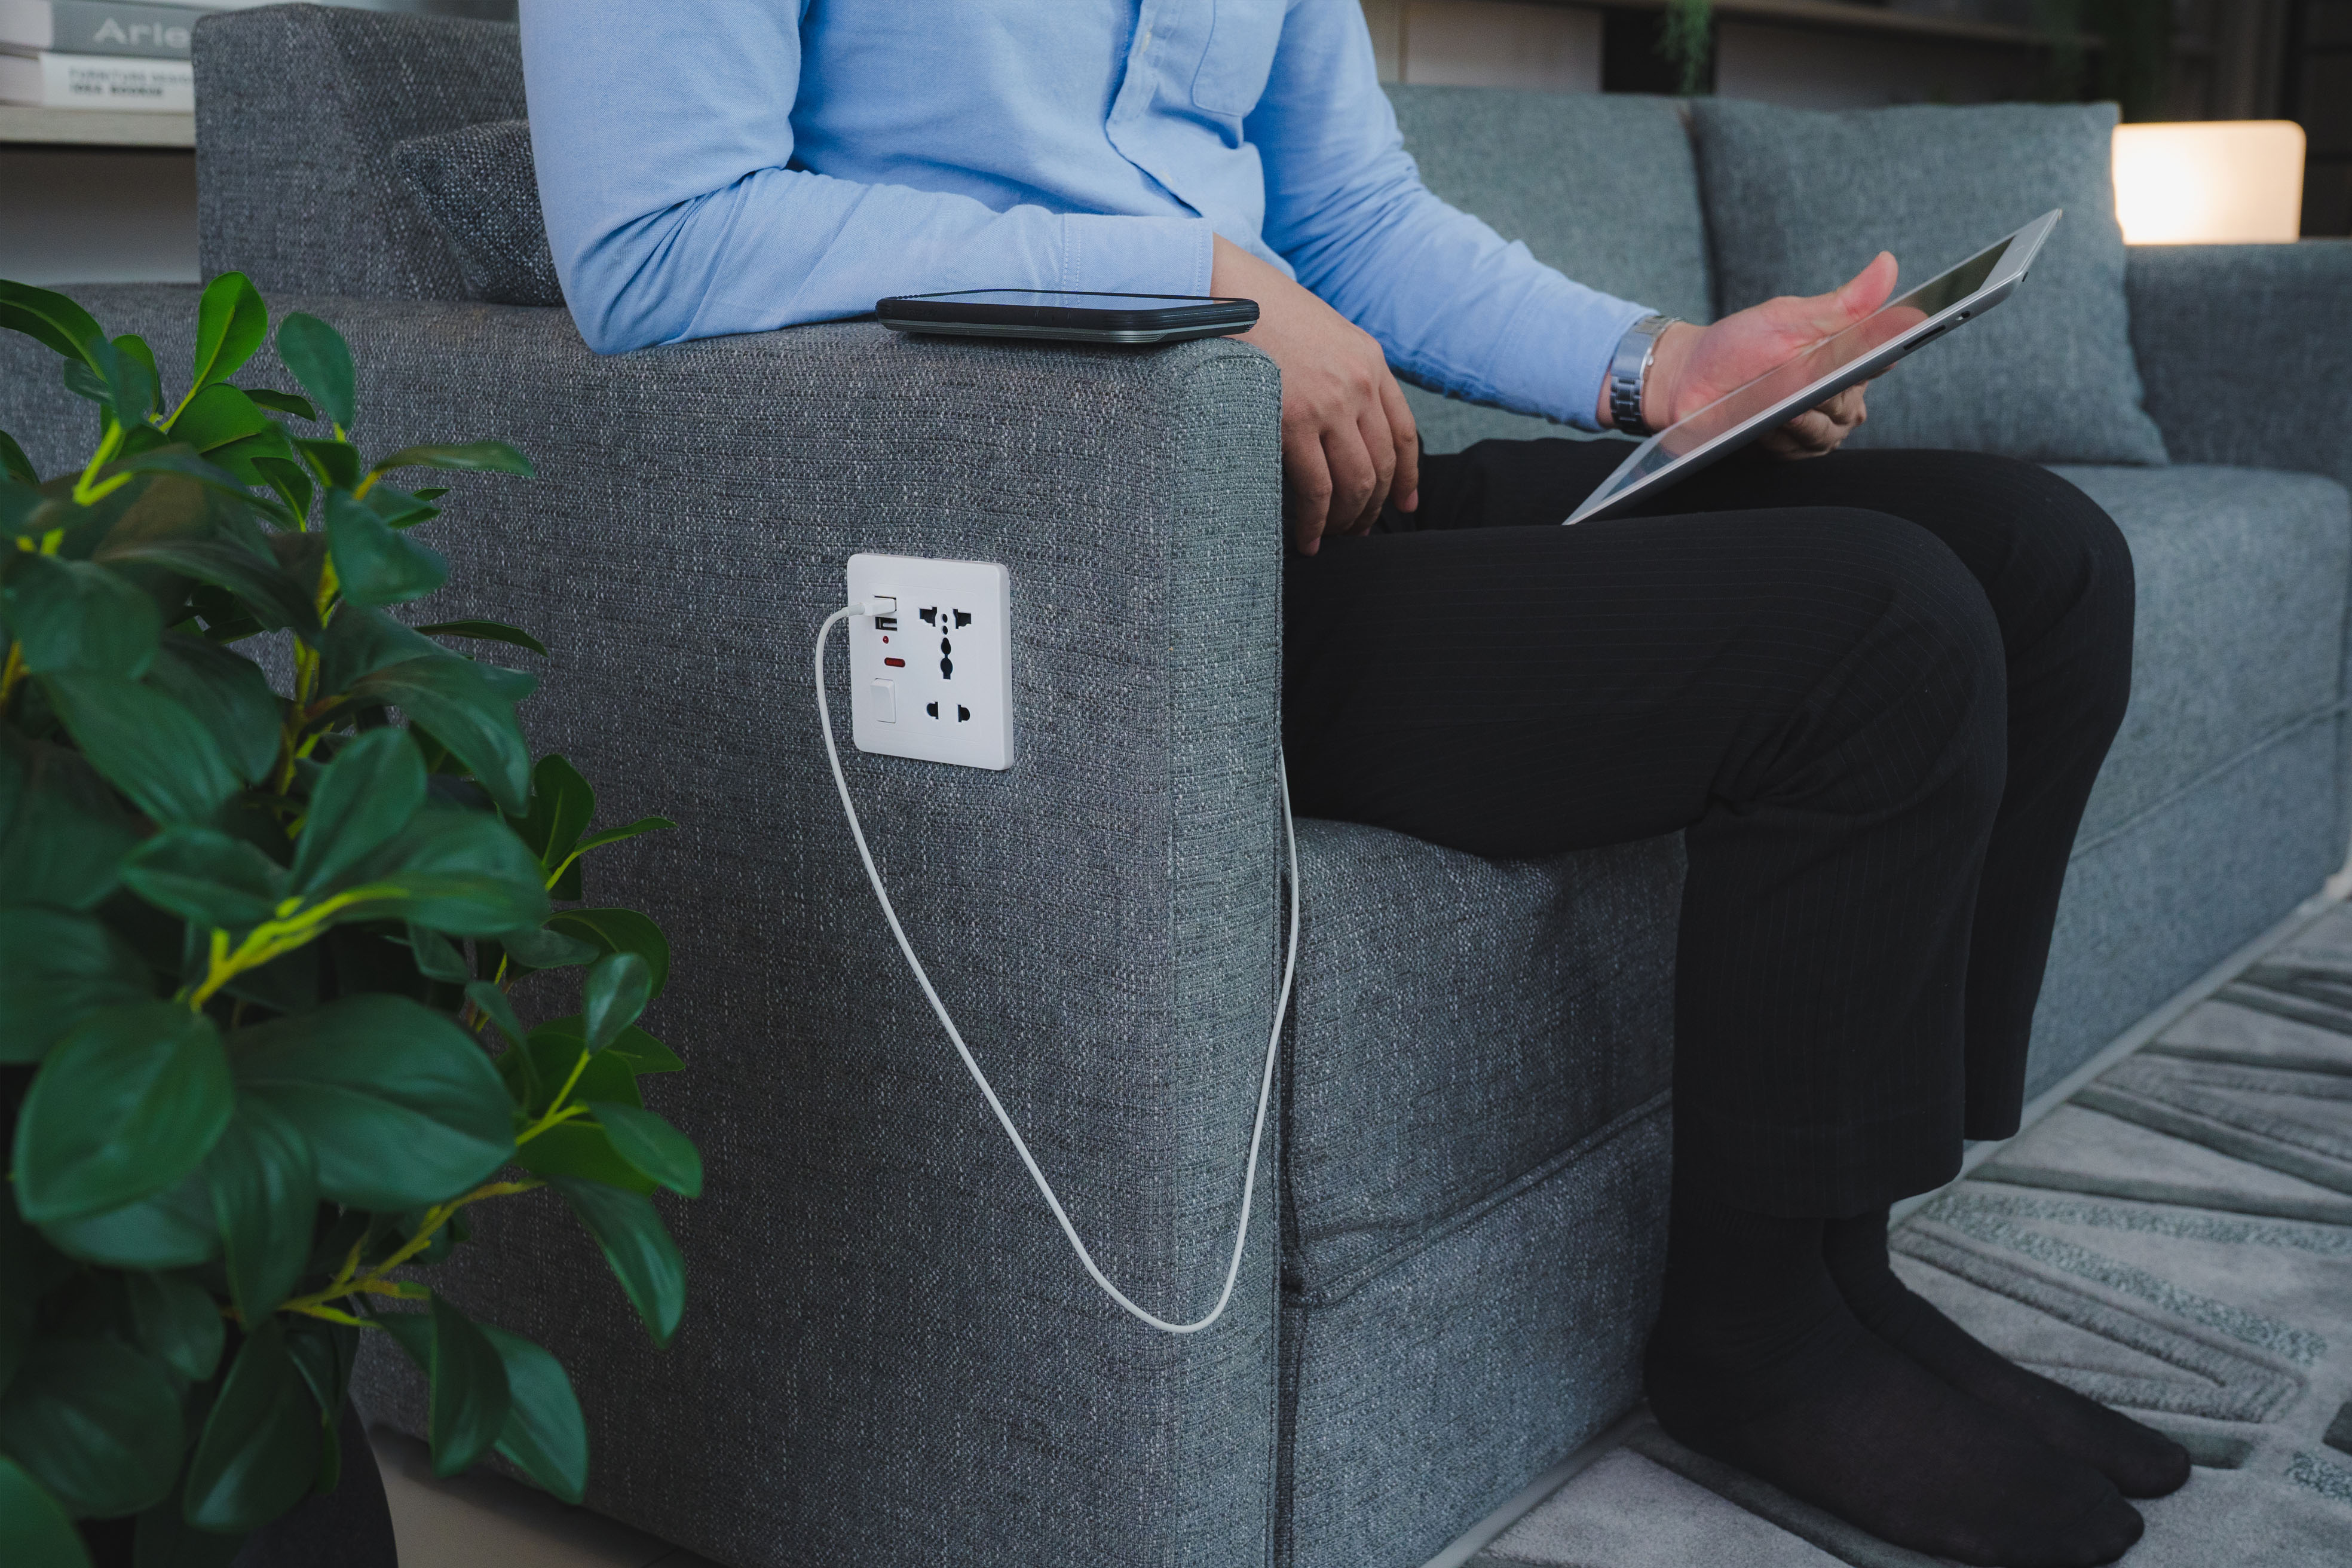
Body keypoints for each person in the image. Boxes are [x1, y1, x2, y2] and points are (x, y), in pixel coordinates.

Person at [520, 4, 2173, 1562]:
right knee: (1882, 629)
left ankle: (1839, 1261)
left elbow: (1352, 218)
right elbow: (657, 242)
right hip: (1097, 563)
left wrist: (1662, 367)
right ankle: (1758, 1343)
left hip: (1311, 494)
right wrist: (1197, 279)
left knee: (2039, 560)